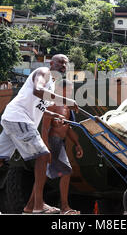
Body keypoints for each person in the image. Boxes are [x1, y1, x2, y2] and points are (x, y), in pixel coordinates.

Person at [0, 54, 78, 214]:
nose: (63, 66)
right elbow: (37, 91)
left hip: (14, 120)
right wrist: (66, 101)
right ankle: (37, 205)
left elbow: (38, 106)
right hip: (20, 119)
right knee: (44, 156)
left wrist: (54, 115)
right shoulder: (43, 72)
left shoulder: (52, 84)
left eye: (66, 64)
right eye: (60, 62)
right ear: (51, 62)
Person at [40, 79, 83, 215]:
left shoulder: (67, 108)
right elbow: (45, 128)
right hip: (51, 142)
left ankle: (35, 204)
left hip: (60, 143)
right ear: (59, 90)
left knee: (44, 174)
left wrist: (77, 144)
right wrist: (46, 149)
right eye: (67, 90)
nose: (69, 93)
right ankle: (64, 207)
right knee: (65, 171)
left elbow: (69, 129)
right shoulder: (52, 105)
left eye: (71, 90)